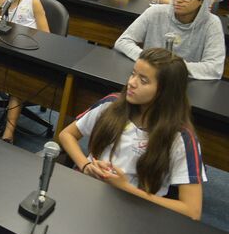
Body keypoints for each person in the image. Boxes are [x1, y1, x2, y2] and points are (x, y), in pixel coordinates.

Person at [59, 48, 206, 220]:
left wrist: (125, 188)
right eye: (133, 74)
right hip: (88, 189)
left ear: (165, 92)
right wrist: (85, 165)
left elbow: (192, 211)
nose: (132, 83)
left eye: (143, 80)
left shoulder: (181, 138)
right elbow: (67, 134)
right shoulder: (112, 104)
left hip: (136, 211)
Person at [115, 0, 225, 80]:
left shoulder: (212, 23)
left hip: (184, 82)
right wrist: (150, 61)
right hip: (150, 77)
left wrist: (172, 67)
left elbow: (215, 68)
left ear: (201, 0)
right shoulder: (155, 12)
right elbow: (123, 41)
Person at [0, 0, 49, 143]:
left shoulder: (33, 2)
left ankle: (8, 132)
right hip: (4, 46)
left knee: (17, 79)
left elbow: (46, 33)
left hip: (26, 52)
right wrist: (0, 1)